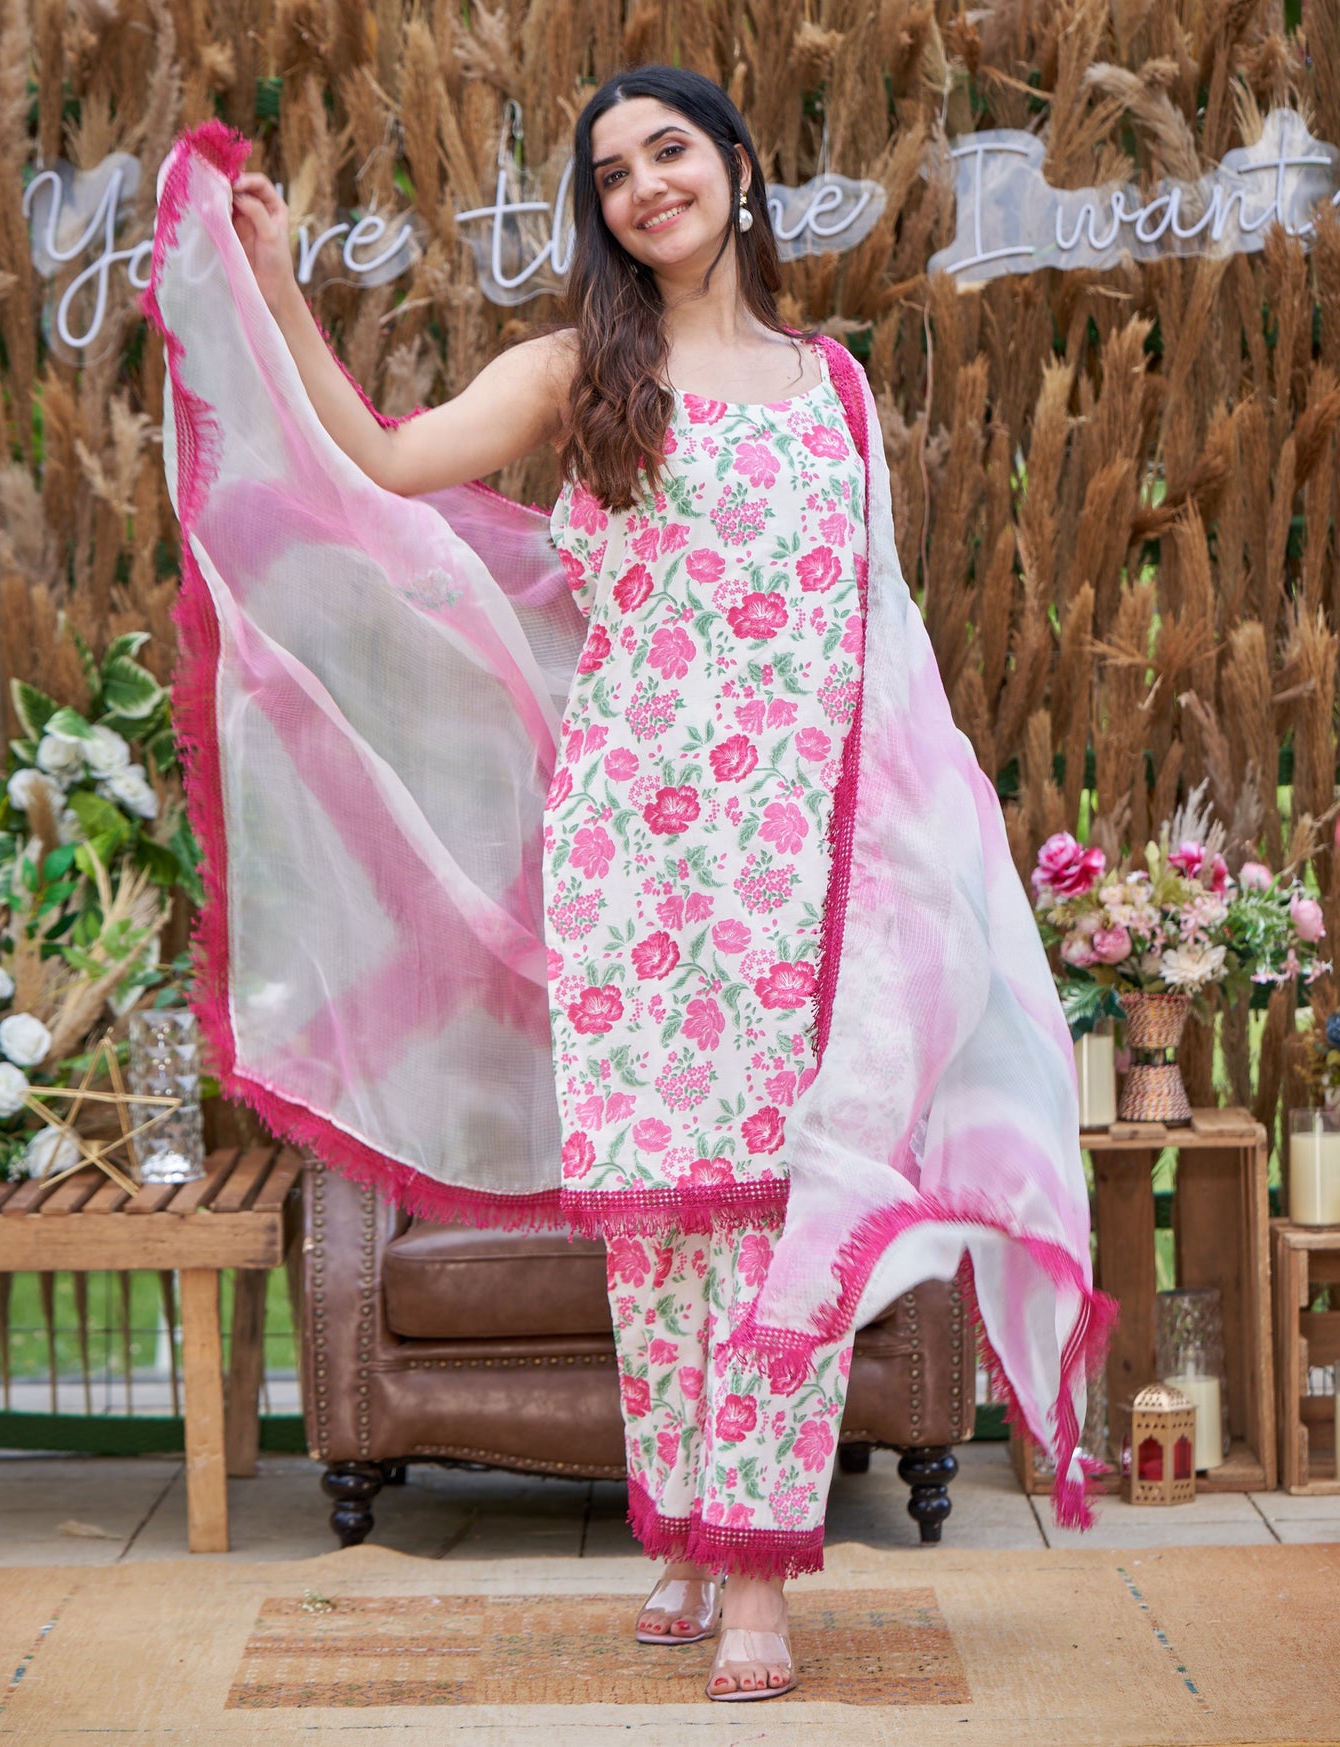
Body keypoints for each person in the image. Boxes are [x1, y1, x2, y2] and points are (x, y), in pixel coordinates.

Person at [153, 62, 1105, 1710]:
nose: (647, 185)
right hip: (633, 866)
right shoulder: (582, 372)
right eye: (612, 173)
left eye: (671, 151)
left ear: (737, 163)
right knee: (658, 1232)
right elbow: (384, 463)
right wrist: (283, 289)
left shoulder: (835, 390)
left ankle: (757, 1575)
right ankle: (683, 1527)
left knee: (779, 1217)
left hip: (802, 879)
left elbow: (883, 639)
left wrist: (929, 845)